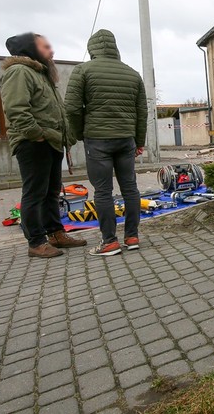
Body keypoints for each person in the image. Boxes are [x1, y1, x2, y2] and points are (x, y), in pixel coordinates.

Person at [0, 32, 86, 258]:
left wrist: (64, 136)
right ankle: (36, 242)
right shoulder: (19, 72)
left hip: (51, 142)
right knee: (34, 194)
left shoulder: (41, 74)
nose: (52, 50)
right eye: (45, 47)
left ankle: (56, 233)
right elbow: (16, 109)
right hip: (34, 144)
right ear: (31, 49)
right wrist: (36, 134)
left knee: (51, 193)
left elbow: (52, 110)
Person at [64, 29, 148, 257]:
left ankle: (109, 242)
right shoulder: (132, 74)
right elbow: (142, 112)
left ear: (92, 48)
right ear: (115, 48)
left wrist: (80, 133)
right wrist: (139, 141)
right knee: (130, 188)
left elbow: (71, 108)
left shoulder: (82, 71)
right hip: (126, 140)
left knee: (103, 191)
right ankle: (132, 237)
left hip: (98, 140)